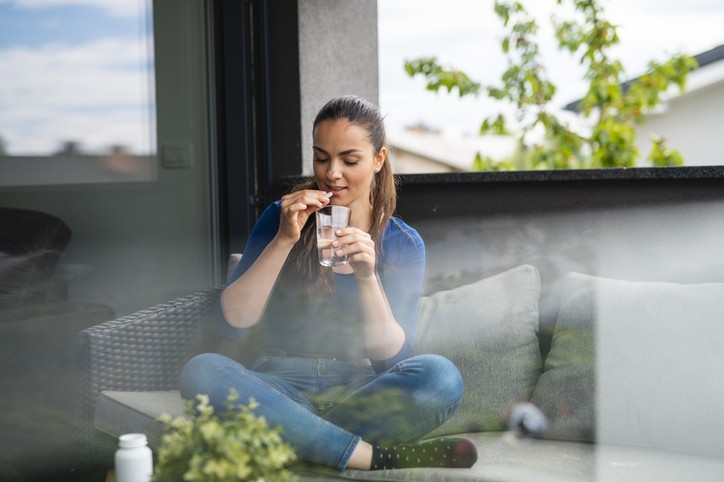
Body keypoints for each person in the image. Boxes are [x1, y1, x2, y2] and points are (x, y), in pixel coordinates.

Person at [180, 95, 477, 471]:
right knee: (202, 371)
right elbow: (232, 322)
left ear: (378, 160)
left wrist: (367, 278)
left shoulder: (403, 243)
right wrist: (284, 240)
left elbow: (394, 362)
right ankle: (369, 456)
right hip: (278, 387)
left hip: (357, 389)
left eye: (349, 161)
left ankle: (295, 441)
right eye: (322, 158)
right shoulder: (281, 218)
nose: (332, 173)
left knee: (441, 377)